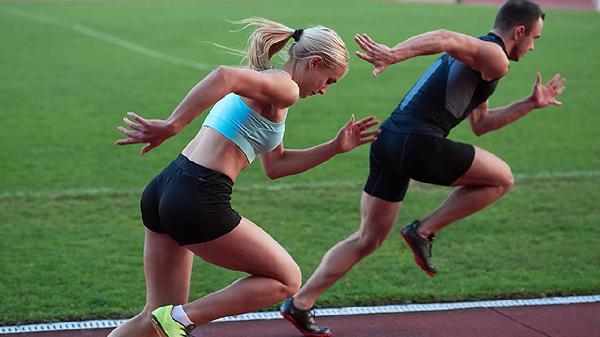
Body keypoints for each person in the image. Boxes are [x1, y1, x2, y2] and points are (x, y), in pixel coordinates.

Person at [280, 1, 565, 336]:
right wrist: (393, 55)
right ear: (519, 31)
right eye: (534, 38)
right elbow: (444, 35)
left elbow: (482, 124)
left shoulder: (479, 56)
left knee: (368, 238)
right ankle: (423, 230)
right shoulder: (495, 56)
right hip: (418, 143)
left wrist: (530, 103)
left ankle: (299, 304)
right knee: (502, 178)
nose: (532, 47)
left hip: (388, 141)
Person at [108, 17, 380, 337]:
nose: (323, 90)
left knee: (154, 317)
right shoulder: (286, 88)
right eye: (329, 80)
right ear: (315, 63)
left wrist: (334, 147)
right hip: (197, 197)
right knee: (286, 279)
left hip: (166, 188)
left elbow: (276, 165)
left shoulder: (272, 87)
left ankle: (174, 318)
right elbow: (224, 76)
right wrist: (172, 125)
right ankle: (183, 318)